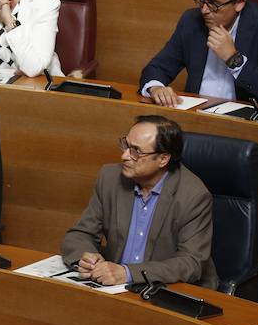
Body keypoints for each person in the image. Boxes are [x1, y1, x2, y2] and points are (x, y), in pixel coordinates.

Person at [61, 116, 218, 289]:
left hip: (167, 289)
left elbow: (191, 262)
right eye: (126, 145)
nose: (125, 155)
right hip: (116, 289)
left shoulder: (193, 195)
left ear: (163, 159)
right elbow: (80, 234)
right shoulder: (110, 178)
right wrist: (87, 257)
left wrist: (128, 273)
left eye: (136, 151)